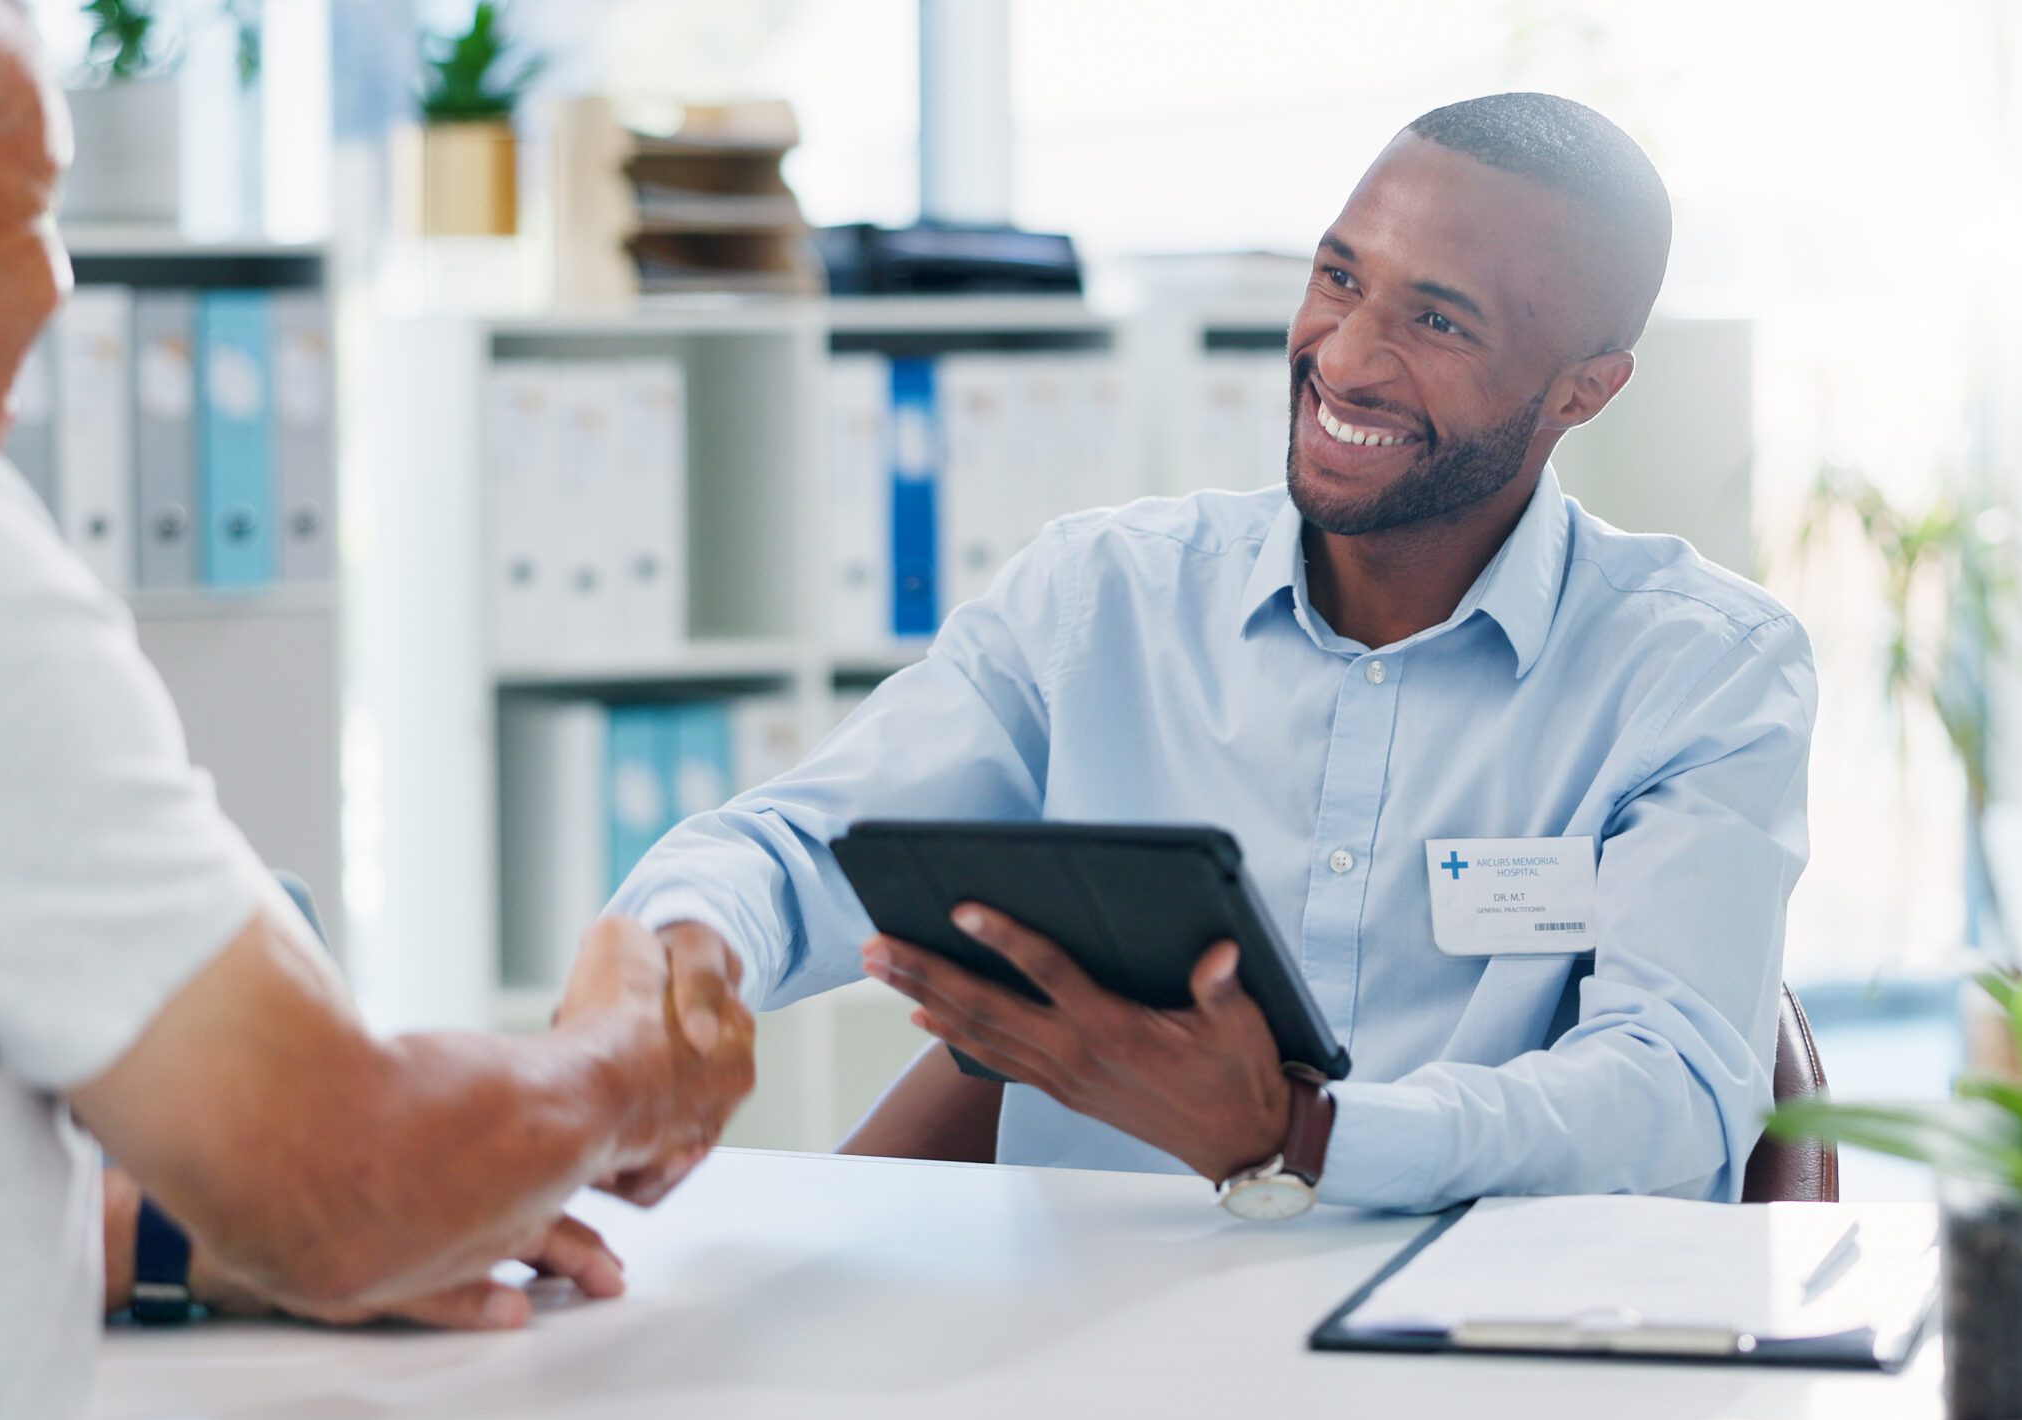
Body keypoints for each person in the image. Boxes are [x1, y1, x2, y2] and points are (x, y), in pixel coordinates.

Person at [0, 3, 753, 1420]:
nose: (60, 286)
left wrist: (179, 1235)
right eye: (31, 211)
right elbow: (349, 1183)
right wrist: (633, 1065)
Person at [610, 93, 1815, 1218]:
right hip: (1086, 1324)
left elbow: (1671, 1098)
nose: (1344, 359)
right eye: (1338, 279)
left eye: (1438, 321)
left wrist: (1304, 1136)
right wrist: (685, 951)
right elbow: (799, 846)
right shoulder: (1102, 598)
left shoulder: (1701, 671)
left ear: (1583, 392)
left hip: (1474, 1330)